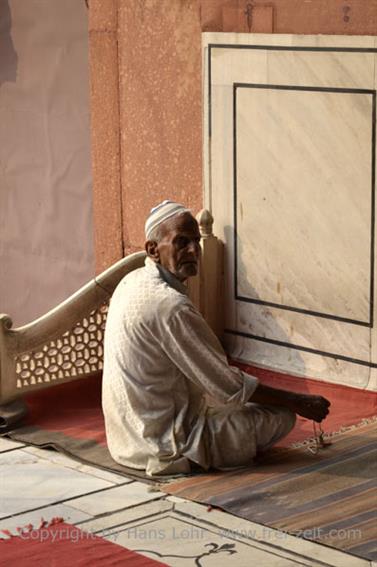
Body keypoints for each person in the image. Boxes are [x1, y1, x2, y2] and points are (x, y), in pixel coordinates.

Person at [102, 200, 330, 476]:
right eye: (181, 242)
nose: (193, 251)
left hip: (124, 440)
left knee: (246, 400)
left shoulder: (132, 280)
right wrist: (299, 402)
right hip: (164, 444)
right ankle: (200, 453)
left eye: (196, 242)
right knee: (280, 416)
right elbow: (229, 387)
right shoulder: (170, 305)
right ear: (153, 250)